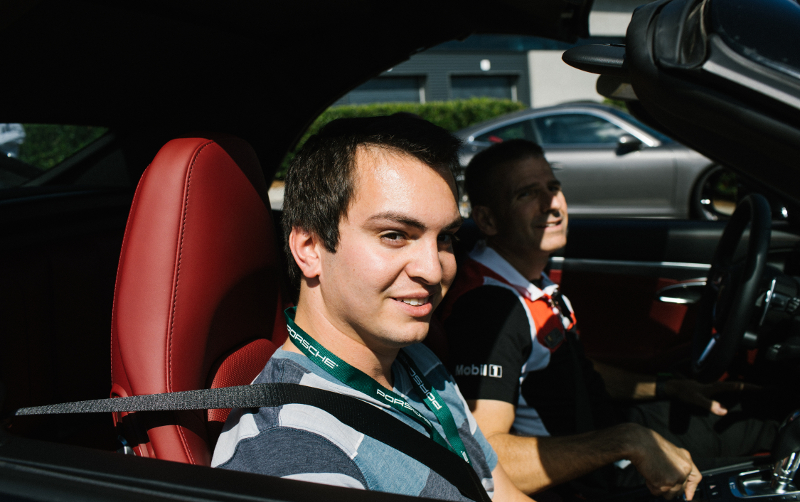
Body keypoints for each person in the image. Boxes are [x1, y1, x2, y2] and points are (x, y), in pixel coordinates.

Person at [211, 115, 529, 502]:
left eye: (445, 237)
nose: (432, 269)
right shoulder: (289, 443)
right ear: (310, 248)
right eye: (394, 235)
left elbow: (504, 494)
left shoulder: (418, 364)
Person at [438, 139, 779, 500]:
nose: (551, 203)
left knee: (758, 412)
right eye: (526, 194)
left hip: (607, 428)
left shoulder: (527, 278)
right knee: (767, 444)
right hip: (589, 478)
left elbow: (570, 372)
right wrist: (626, 442)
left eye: (553, 187)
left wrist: (666, 386)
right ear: (488, 220)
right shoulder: (491, 309)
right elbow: (488, 459)